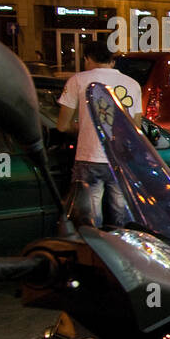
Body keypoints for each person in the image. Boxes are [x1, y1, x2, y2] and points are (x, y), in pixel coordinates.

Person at [56, 39, 144, 228]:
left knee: (91, 217)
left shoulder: (78, 81)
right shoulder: (133, 84)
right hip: (121, 158)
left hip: (89, 156)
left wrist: (85, 127)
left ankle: (94, 252)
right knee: (123, 215)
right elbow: (135, 126)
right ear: (113, 60)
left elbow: (62, 126)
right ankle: (123, 251)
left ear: (87, 58)